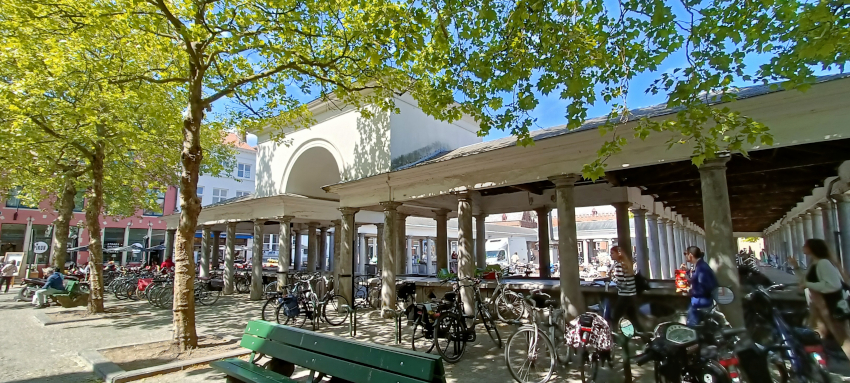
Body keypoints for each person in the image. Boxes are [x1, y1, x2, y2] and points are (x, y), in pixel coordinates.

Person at [788, 239, 850, 361]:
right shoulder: (814, 263)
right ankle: (819, 364)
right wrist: (795, 267)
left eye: (805, 245)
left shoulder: (823, 263)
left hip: (829, 307)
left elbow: (833, 285)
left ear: (812, 248)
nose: (803, 247)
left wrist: (808, 285)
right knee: (817, 336)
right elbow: (804, 281)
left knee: (842, 339)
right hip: (818, 307)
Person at [609, 246, 643, 331]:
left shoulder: (618, 265)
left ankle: (614, 334)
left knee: (615, 317)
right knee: (633, 319)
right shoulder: (626, 263)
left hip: (625, 295)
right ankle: (641, 334)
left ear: (618, 254)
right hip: (632, 294)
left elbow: (621, 283)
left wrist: (612, 277)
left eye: (612, 253)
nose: (611, 255)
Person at [682, 246, 718, 326]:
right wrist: (687, 271)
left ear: (690, 255)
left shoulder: (702, 268)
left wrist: (690, 290)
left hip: (700, 300)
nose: (685, 256)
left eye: (686, 254)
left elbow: (704, 286)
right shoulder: (700, 266)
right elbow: (697, 278)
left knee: (692, 325)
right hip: (700, 299)